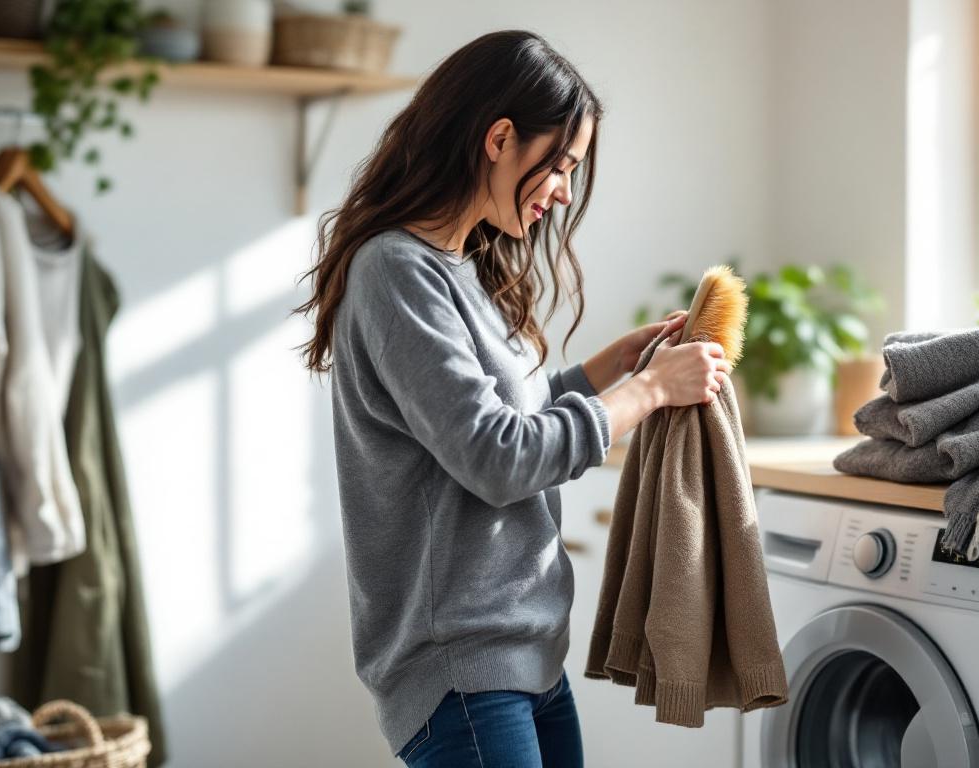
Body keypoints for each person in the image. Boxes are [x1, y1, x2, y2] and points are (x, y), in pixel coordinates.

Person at [294, 29, 732, 767]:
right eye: (560, 166)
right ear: (499, 139)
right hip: (463, 671)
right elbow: (498, 459)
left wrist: (607, 370)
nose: (564, 193)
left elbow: (498, 421)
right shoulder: (396, 270)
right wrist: (652, 389)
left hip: (523, 658)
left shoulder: (461, 266)